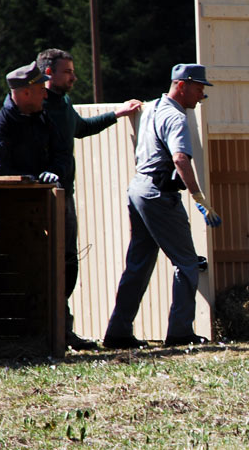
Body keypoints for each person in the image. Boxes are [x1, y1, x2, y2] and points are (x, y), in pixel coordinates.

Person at [103, 64, 222, 349]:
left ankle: (117, 332)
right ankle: (180, 332)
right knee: (187, 263)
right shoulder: (176, 117)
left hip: (139, 189)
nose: (201, 95)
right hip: (159, 194)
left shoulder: (154, 108)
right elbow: (180, 159)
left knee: (138, 265)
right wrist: (198, 197)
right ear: (181, 86)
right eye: (198, 88)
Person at [36, 48, 143, 351]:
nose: (74, 77)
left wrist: (116, 114)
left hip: (64, 197)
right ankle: (53, 332)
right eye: (67, 72)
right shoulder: (39, 108)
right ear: (48, 73)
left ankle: (63, 330)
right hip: (44, 197)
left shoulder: (63, 103)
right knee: (52, 264)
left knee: (68, 264)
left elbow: (80, 129)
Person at [0, 61, 72, 187]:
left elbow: (63, 153)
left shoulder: (42, 118)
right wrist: (36, 180)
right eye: (42, 89)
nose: (46, 95)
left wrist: (53, 172)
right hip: (12, 202)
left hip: (44, 199)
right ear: (26, 93)